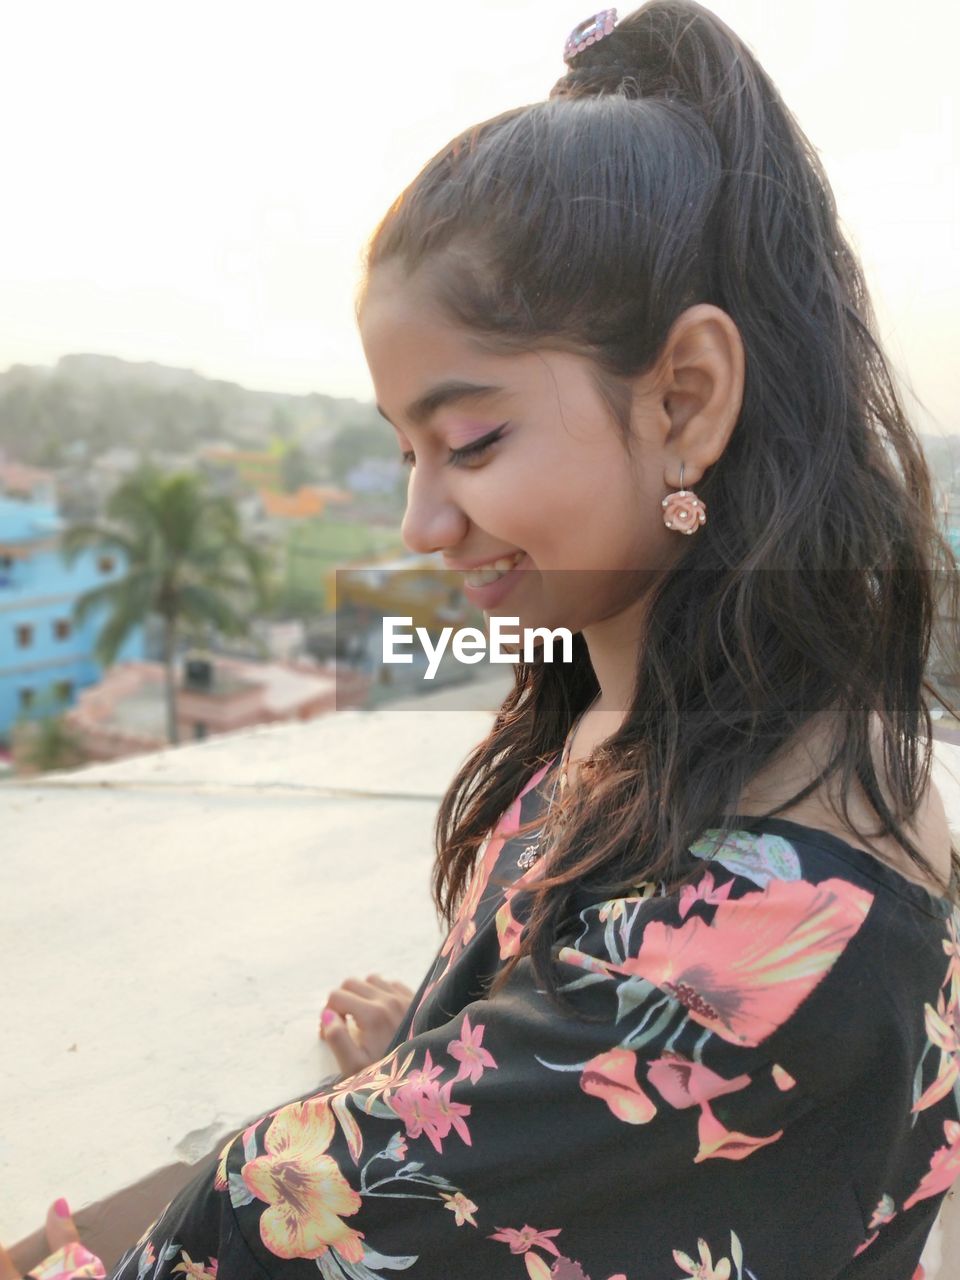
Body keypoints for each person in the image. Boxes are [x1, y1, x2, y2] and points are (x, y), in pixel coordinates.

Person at [43, 2, 960, 1277]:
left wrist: (420, 1124)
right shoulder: (644, 712)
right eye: (406, 448)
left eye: (471, 442)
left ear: (685, 401)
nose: (423, 519)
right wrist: (450, 1069)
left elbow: (263, 1225)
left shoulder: (778, 921)